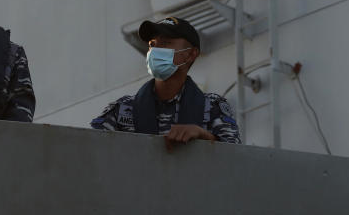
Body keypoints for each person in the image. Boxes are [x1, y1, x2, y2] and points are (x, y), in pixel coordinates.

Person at [90, 16, 240, 150]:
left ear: (191, 54)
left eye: (166, 43)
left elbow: (236, 157)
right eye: (152, 44)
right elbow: (89, 149)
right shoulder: (122, 109)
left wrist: (203, 136)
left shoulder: (213, 106)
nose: (155, 50)